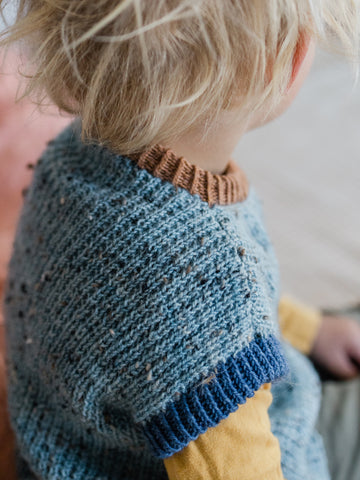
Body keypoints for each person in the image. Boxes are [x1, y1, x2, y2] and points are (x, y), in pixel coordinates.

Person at [0, 1, 359, 479]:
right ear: (288, 61)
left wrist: (309, 330)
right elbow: (202, 315)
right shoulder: (201, 283)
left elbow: (202, 315)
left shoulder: (72, 157)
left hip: (61, 444)